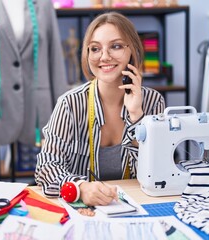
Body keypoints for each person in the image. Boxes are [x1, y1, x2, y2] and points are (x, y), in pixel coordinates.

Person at [35, 12, 165, 206]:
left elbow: (159, 172)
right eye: (95, 48)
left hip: (138, 206)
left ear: (133, 50)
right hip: (81, 209)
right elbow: (46, 168)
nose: (104, 57)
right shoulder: (70, 104)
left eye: (116, 46)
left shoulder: (153, 101)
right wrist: (80, 188)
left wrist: (137, 116)